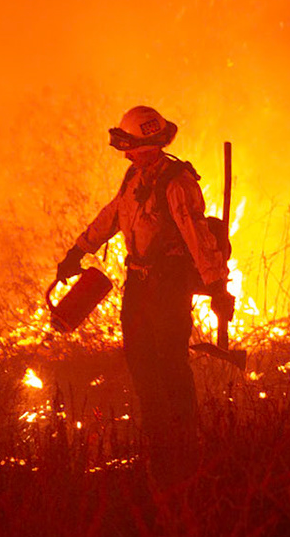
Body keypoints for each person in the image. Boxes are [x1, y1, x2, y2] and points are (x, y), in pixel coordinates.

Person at [57, 105, 232, 468]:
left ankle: (185, 446)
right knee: (141, 365)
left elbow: (197, 236)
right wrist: (78, 251)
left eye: (131, 146)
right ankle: (159, 446)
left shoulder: (177, 183)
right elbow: (113, 215)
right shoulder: (133, 179)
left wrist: (217, 287)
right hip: (137, 286)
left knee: (171, 364)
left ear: (149, 145)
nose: (127, 153)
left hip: (169, 286)